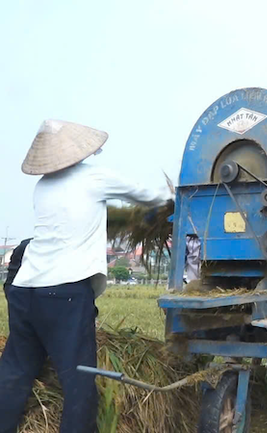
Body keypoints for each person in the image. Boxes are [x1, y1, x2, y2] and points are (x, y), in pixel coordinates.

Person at [0, 119, 174, 433]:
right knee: (79, 381)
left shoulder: (42, 186)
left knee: (14, 374)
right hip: (64, 293)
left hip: (24, 291)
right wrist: (173, 195)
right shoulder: (95, 177)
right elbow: (149, 196)